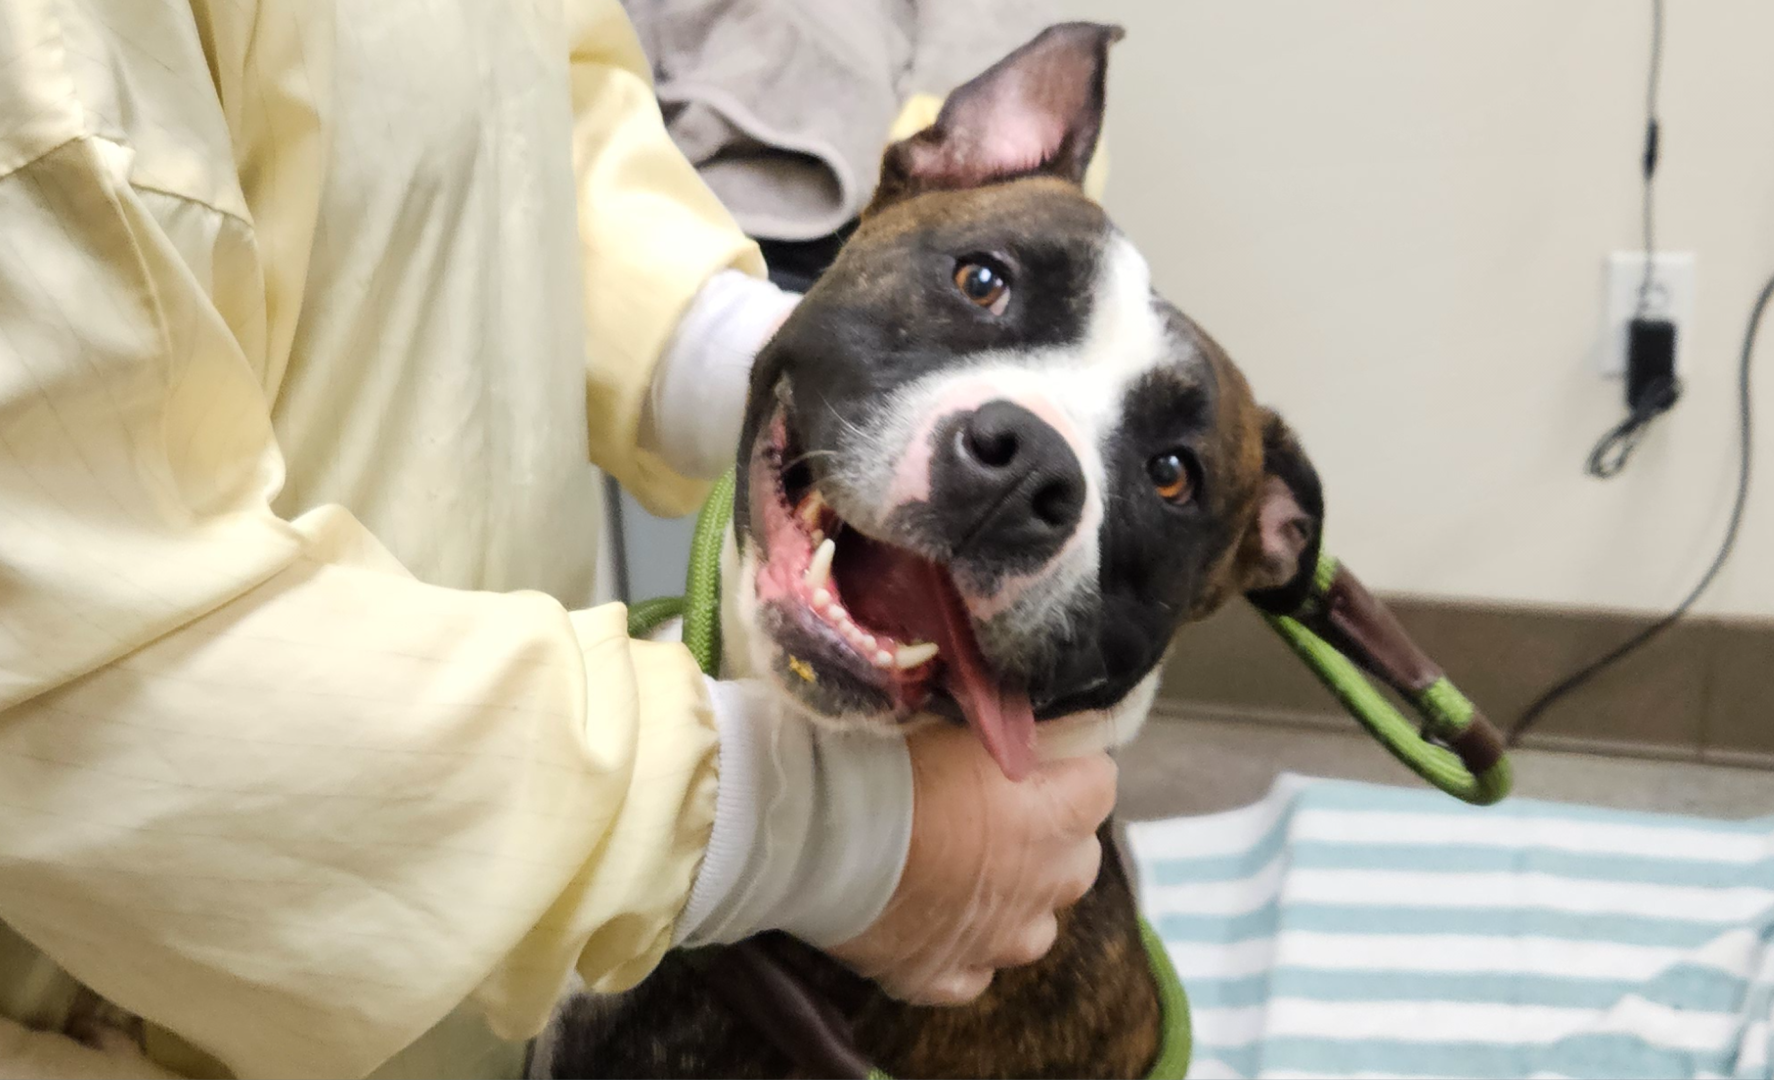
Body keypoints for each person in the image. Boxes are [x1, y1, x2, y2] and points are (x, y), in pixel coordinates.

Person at [0, 2, 1117, 1077]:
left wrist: (739, 352)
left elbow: (510, 100)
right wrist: (816, 828)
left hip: (451, 968)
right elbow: (90, 665)